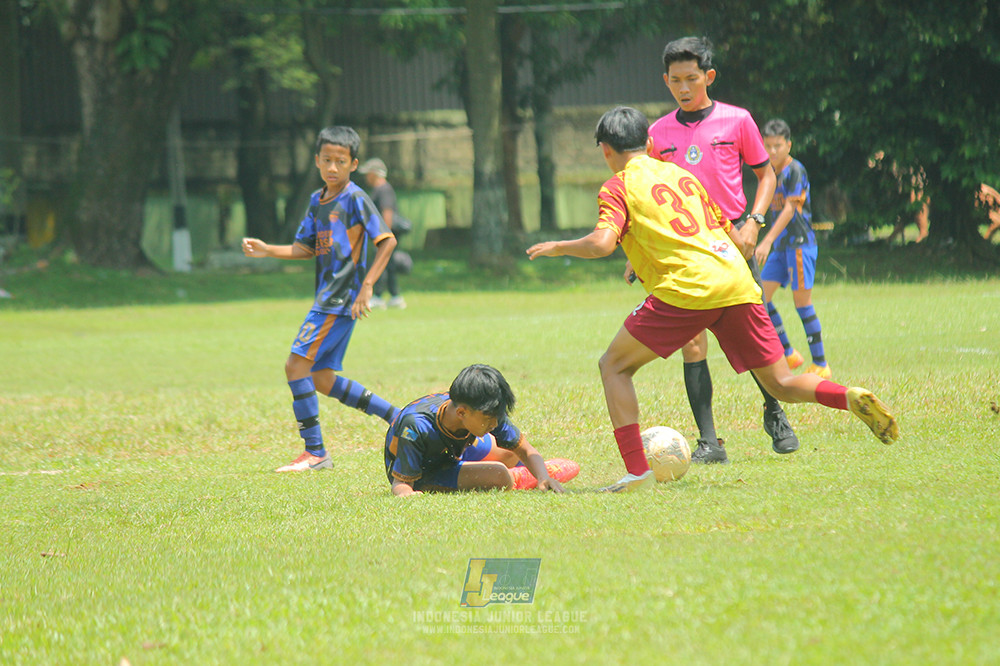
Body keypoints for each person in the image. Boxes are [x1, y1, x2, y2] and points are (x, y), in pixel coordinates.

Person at [527, 106, 898, 492]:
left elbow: (603, 242)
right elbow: (725, 234)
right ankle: (848, 395)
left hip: (687, 288)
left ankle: (637, 472)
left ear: (605, 150)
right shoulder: (682, 176)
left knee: (614, 366)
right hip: (734, 279)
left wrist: (560, 246)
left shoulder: (617, 186)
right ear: (651, 143)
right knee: (782, 383)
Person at [646, 36, 798, 463]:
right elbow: (648, 194)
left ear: (708, 76)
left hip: (733, 242)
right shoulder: (657, 134)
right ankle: (709, 442)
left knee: (752, 338)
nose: (683, 87)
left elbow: (766, 176)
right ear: (666, 81)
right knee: (692, 344)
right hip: (684, 249)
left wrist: (754, 222)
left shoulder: (738, 121)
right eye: (675, 80)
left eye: (691, 78)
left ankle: (774, 410)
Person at [243, 126, 399, 472]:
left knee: (295, 365)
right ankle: (396, 417)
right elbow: (305, 248)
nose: (332, 167)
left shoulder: (356, 198)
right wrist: (268, 250)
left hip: (339, 300)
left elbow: (387, 241)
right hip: (327, 298)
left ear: (353, 164)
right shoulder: (317, 201)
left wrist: (368, 285)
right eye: (327, 160)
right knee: (321, 377)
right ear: (316, 161)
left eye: (340, 161)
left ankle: (315, 453)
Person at [384, 364, 579, 496]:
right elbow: (401, 485)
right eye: (489, 421)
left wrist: (544, 478)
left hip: (451, 454)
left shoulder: (480, 410)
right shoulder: (416, 426)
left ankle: (530, 472)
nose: (494, 425)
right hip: (424, 472)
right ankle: (518, 478)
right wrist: (407, 496)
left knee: (509, 453)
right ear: (462, 412)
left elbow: (525, 449)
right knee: (498, 475)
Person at [757, 119, 831, 379]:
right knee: (760, 297)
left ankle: (821, 363)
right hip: (781, 246)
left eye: (778, 146)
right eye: (768, 146)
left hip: (800, 245)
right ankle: (788, 353)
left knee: (802, 303)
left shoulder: (795, 170)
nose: (772, 151)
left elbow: (790, 209)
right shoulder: (769, 173)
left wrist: (765, 240)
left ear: (789, 144)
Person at [358, 157, 407, 309]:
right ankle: (395, 296)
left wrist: (384, 235)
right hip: (384, 234)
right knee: (389, 264)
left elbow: (387, 212)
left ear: (375, 174)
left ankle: (378, 296)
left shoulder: (384, 189)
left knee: (380, 264)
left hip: (385, 234)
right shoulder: (381, 189)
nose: (366, 177)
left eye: (368, 173)